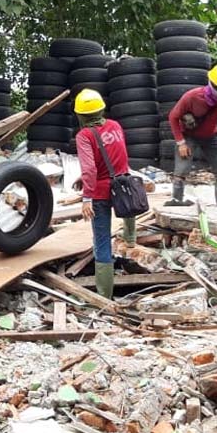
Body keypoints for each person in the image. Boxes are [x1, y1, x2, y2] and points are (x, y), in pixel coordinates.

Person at [73, 89, 135, 300]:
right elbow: (118, 156)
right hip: (122, 185)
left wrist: (86, 198)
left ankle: (103, 296)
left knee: (101, 241)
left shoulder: (84, 135)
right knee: (128, 207)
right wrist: (85, 177)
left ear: (80, 115)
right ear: (101, 109)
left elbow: (90, 168)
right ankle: (130, 238)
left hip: (99, 193)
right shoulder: (115, 126)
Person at [165, 64, 217, 207]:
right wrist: (181, 143)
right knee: (181, 171)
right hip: (189, 136)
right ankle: (177, 202)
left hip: (211, 136)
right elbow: (173, 117)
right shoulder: (192, 96)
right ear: (215, 87)